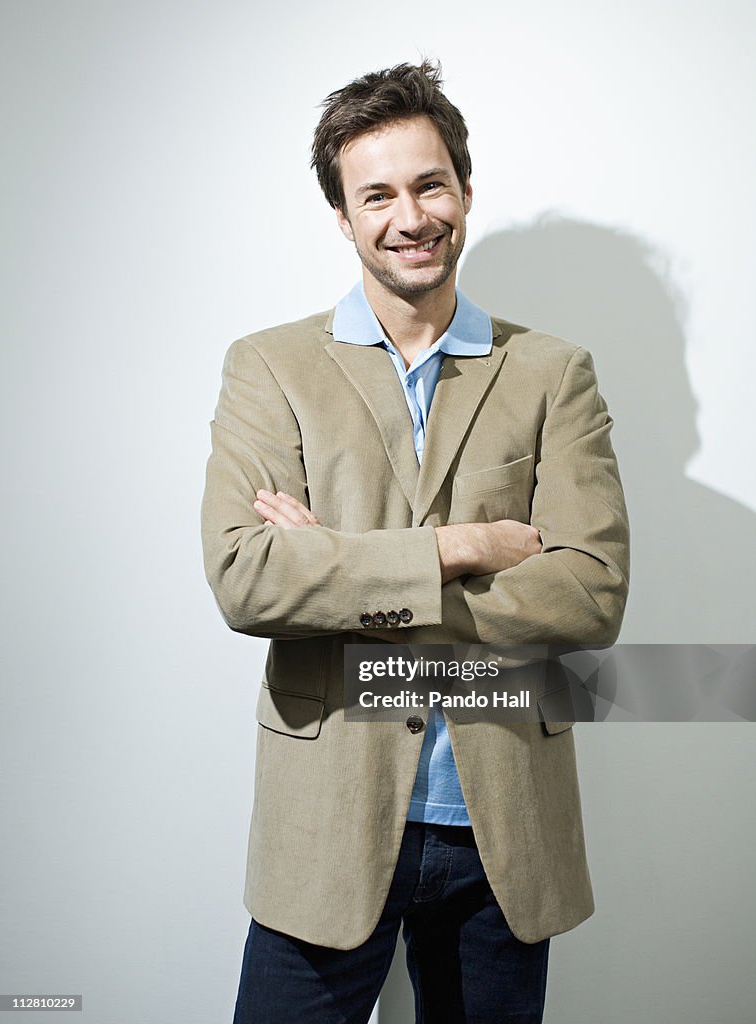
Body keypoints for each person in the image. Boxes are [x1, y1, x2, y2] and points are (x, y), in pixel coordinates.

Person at [201, 60, 630, 1024]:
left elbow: (591, 592)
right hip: (327, 817)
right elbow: (246, 578)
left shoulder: (553, 375)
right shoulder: (269, 368)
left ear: (465, 191)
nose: (410, 216)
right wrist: (466, 544)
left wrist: (341, 568)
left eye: (430, 184)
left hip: (501, 825)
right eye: (378, 194)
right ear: (344, 218)